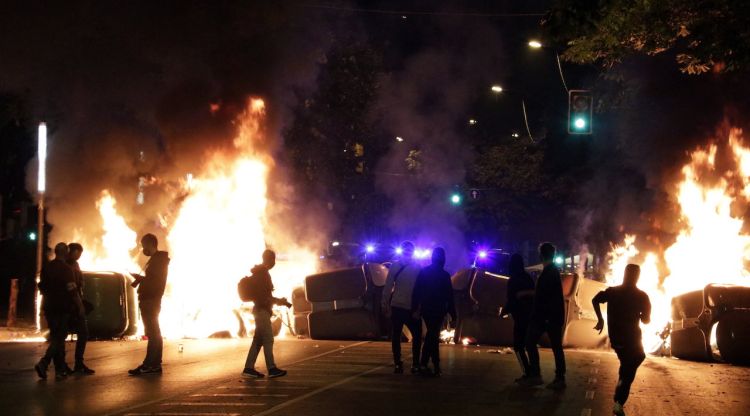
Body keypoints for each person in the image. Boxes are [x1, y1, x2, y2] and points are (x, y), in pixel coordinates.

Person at [593, 264, 651, 416]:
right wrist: (640, 315)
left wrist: (601, 320)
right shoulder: (642, 296)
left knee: (626, 366)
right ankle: (619, 401)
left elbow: (595, 300)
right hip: (632, 339)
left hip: (616, 338)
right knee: (634, 363)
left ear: (624, 274)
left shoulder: (613, 291)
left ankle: (620, 389)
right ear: (638, 276)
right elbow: (646, 320)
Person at [35, 243, 85, 380]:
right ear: (65, 252)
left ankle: (60, 369)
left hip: (49, 307)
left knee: (56, 337)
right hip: (62, 308)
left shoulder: (47, 267)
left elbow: (42, 286)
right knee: (59, 337)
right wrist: (80, 306)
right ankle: (44, 363)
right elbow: (72, 290)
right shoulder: (66, 269)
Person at [520, 242, 566, 390]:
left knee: (530, 342)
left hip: (545, 317)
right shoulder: (552, 271)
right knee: (556, 347)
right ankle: (558, 378)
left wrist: (525, 294)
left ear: (541, 255)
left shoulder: (549, 273)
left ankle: (537, 375)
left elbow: (544, 296)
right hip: (551, 316)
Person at [242, 249, 291, 379]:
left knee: (258, 341)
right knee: (268, 339)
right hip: (262, 311)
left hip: (260, 310)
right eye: (273, 259)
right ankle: (272, 368)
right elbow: (264, 297)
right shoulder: (263, 274)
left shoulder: (260, 273)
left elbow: (265, 295)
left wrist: (278, 301)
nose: (274, 262)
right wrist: (279, 301)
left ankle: (248, 368)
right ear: (269, 259)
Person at [129, 234, 170, 376]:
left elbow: (155, 282)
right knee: (154, 332)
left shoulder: (158, 261)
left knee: (153, 333)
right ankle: (154, 363)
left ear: (149, 244)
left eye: (143, 245)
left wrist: (141, 280)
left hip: (150, 300)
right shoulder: (158, 260)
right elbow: (154, 280)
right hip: (152, 299)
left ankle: (150, 363)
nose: (142, 248)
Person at [411, 247, 455, 376]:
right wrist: (453, 314)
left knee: (432, 335)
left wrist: (415, 308)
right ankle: (427, 364)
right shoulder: (445, 275)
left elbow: (417, 291)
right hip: (439, 309)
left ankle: (433, 365)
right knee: (433, 335)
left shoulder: (424, 272)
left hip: (426, 309)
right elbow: (449, 296)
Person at [381, 241, 422, 374]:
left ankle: (398, 364)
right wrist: (419, 308)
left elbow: (388, 287)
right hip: (411, 307)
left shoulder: (394, 266)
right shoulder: (418, 268)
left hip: (397, 305)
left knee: (396, 335)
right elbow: (421, 290)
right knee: (417, 335)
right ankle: (415, 364)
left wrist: (385, 304)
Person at [501, 253, 535, 382]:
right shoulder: (527, 277)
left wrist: (504, 311)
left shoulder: (513, 280)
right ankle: (533, 371)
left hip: (520, 316)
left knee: (518, 345)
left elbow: (511, 299)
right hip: (530, 315)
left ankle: (528, 372)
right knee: (528, 344)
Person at [66, 242, 94, 375]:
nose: (79, 257)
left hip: (75, 304)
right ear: (73, 251)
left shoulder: (75, 265)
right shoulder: (65, 266)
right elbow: (71, 289)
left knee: (83, 333)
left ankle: (78, 363)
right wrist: (80, 304)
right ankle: (52, 363)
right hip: (70, 305)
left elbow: (80, 280)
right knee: (63, 335)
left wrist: (82, 281)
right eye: (78, 253)